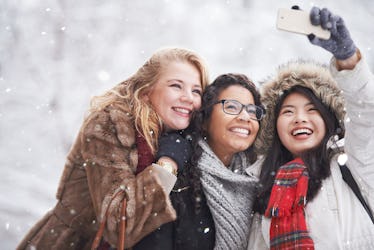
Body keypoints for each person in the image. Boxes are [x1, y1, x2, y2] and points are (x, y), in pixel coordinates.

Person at [17, 47, 210, 250]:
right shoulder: (109, 125)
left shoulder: (184, 137)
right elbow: (119, 224)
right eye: (176, 86)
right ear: (146, 92)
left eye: (196, 91)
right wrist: (167, 165)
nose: (188, 97)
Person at [249, 7, 374, 250]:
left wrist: (347, 59)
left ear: (329, 120)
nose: (299, 118)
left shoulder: (356, 163)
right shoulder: (261, 184)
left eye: (311, 110)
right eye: (288, 112)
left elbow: (367, 112)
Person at [133, 73, 265, 250]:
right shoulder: (177, 178)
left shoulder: (257, 180)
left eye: (252, 110)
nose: (245, 117)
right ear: (204, 119)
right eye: (231, 107)